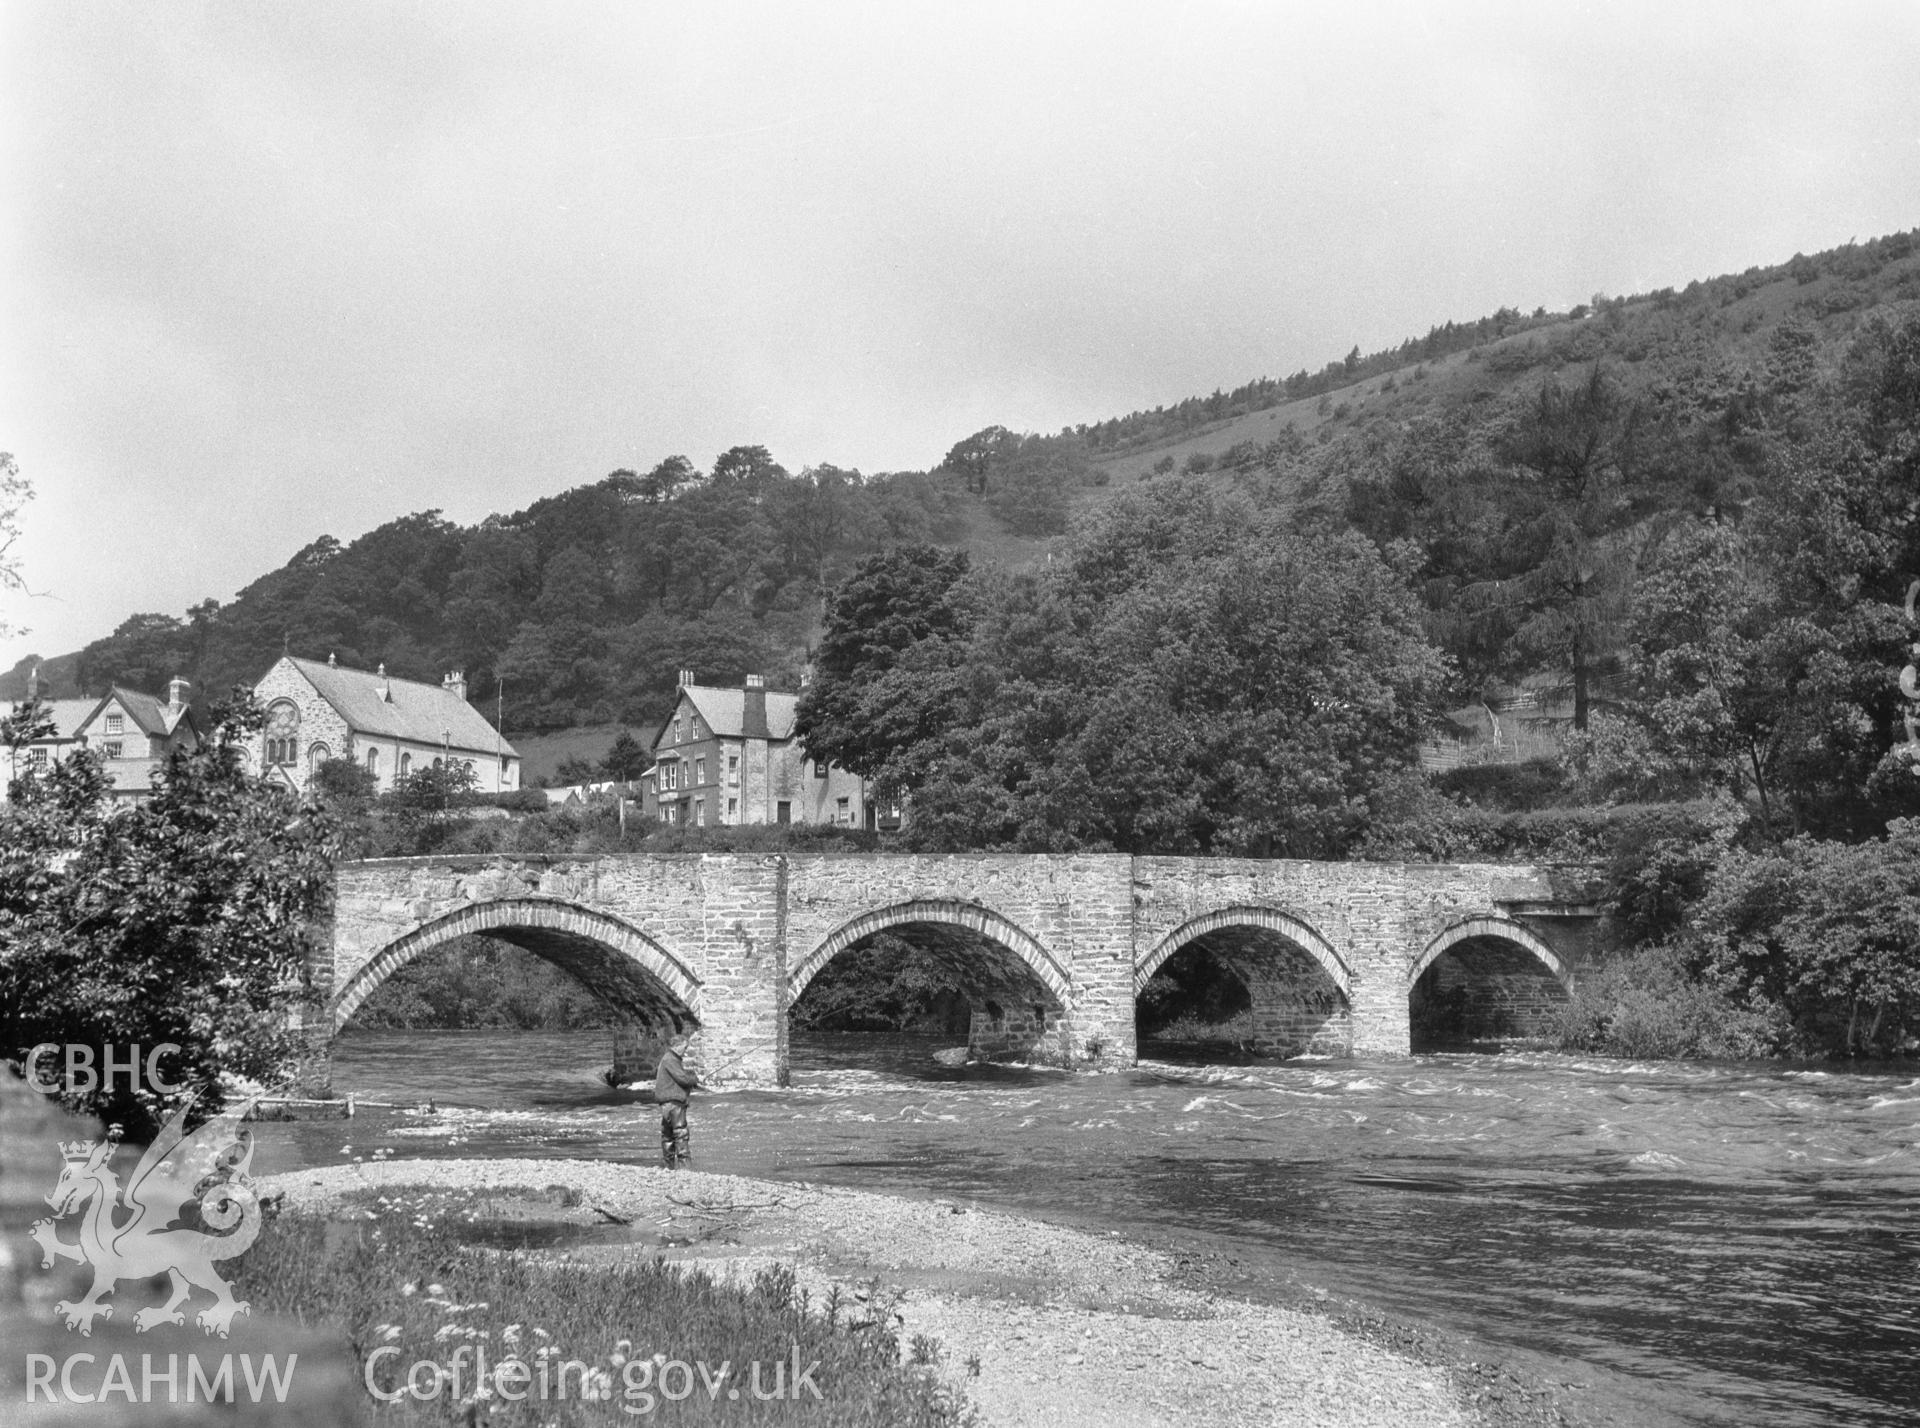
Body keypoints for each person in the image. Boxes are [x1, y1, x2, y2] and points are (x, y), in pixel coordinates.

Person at [653, 1031, 706, 1169]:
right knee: (681, 1135)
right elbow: (682, 1078)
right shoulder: (670, 1059)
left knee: (668, 1137)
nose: (686, 1051)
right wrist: (693, 1078)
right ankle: (685, 1169)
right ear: (676, 1046)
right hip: (674, 1104)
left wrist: (692, 1082)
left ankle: (668, 1167)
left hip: (667, 1104)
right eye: (685, 1047)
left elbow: (679, 1079)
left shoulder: (669, 1059)